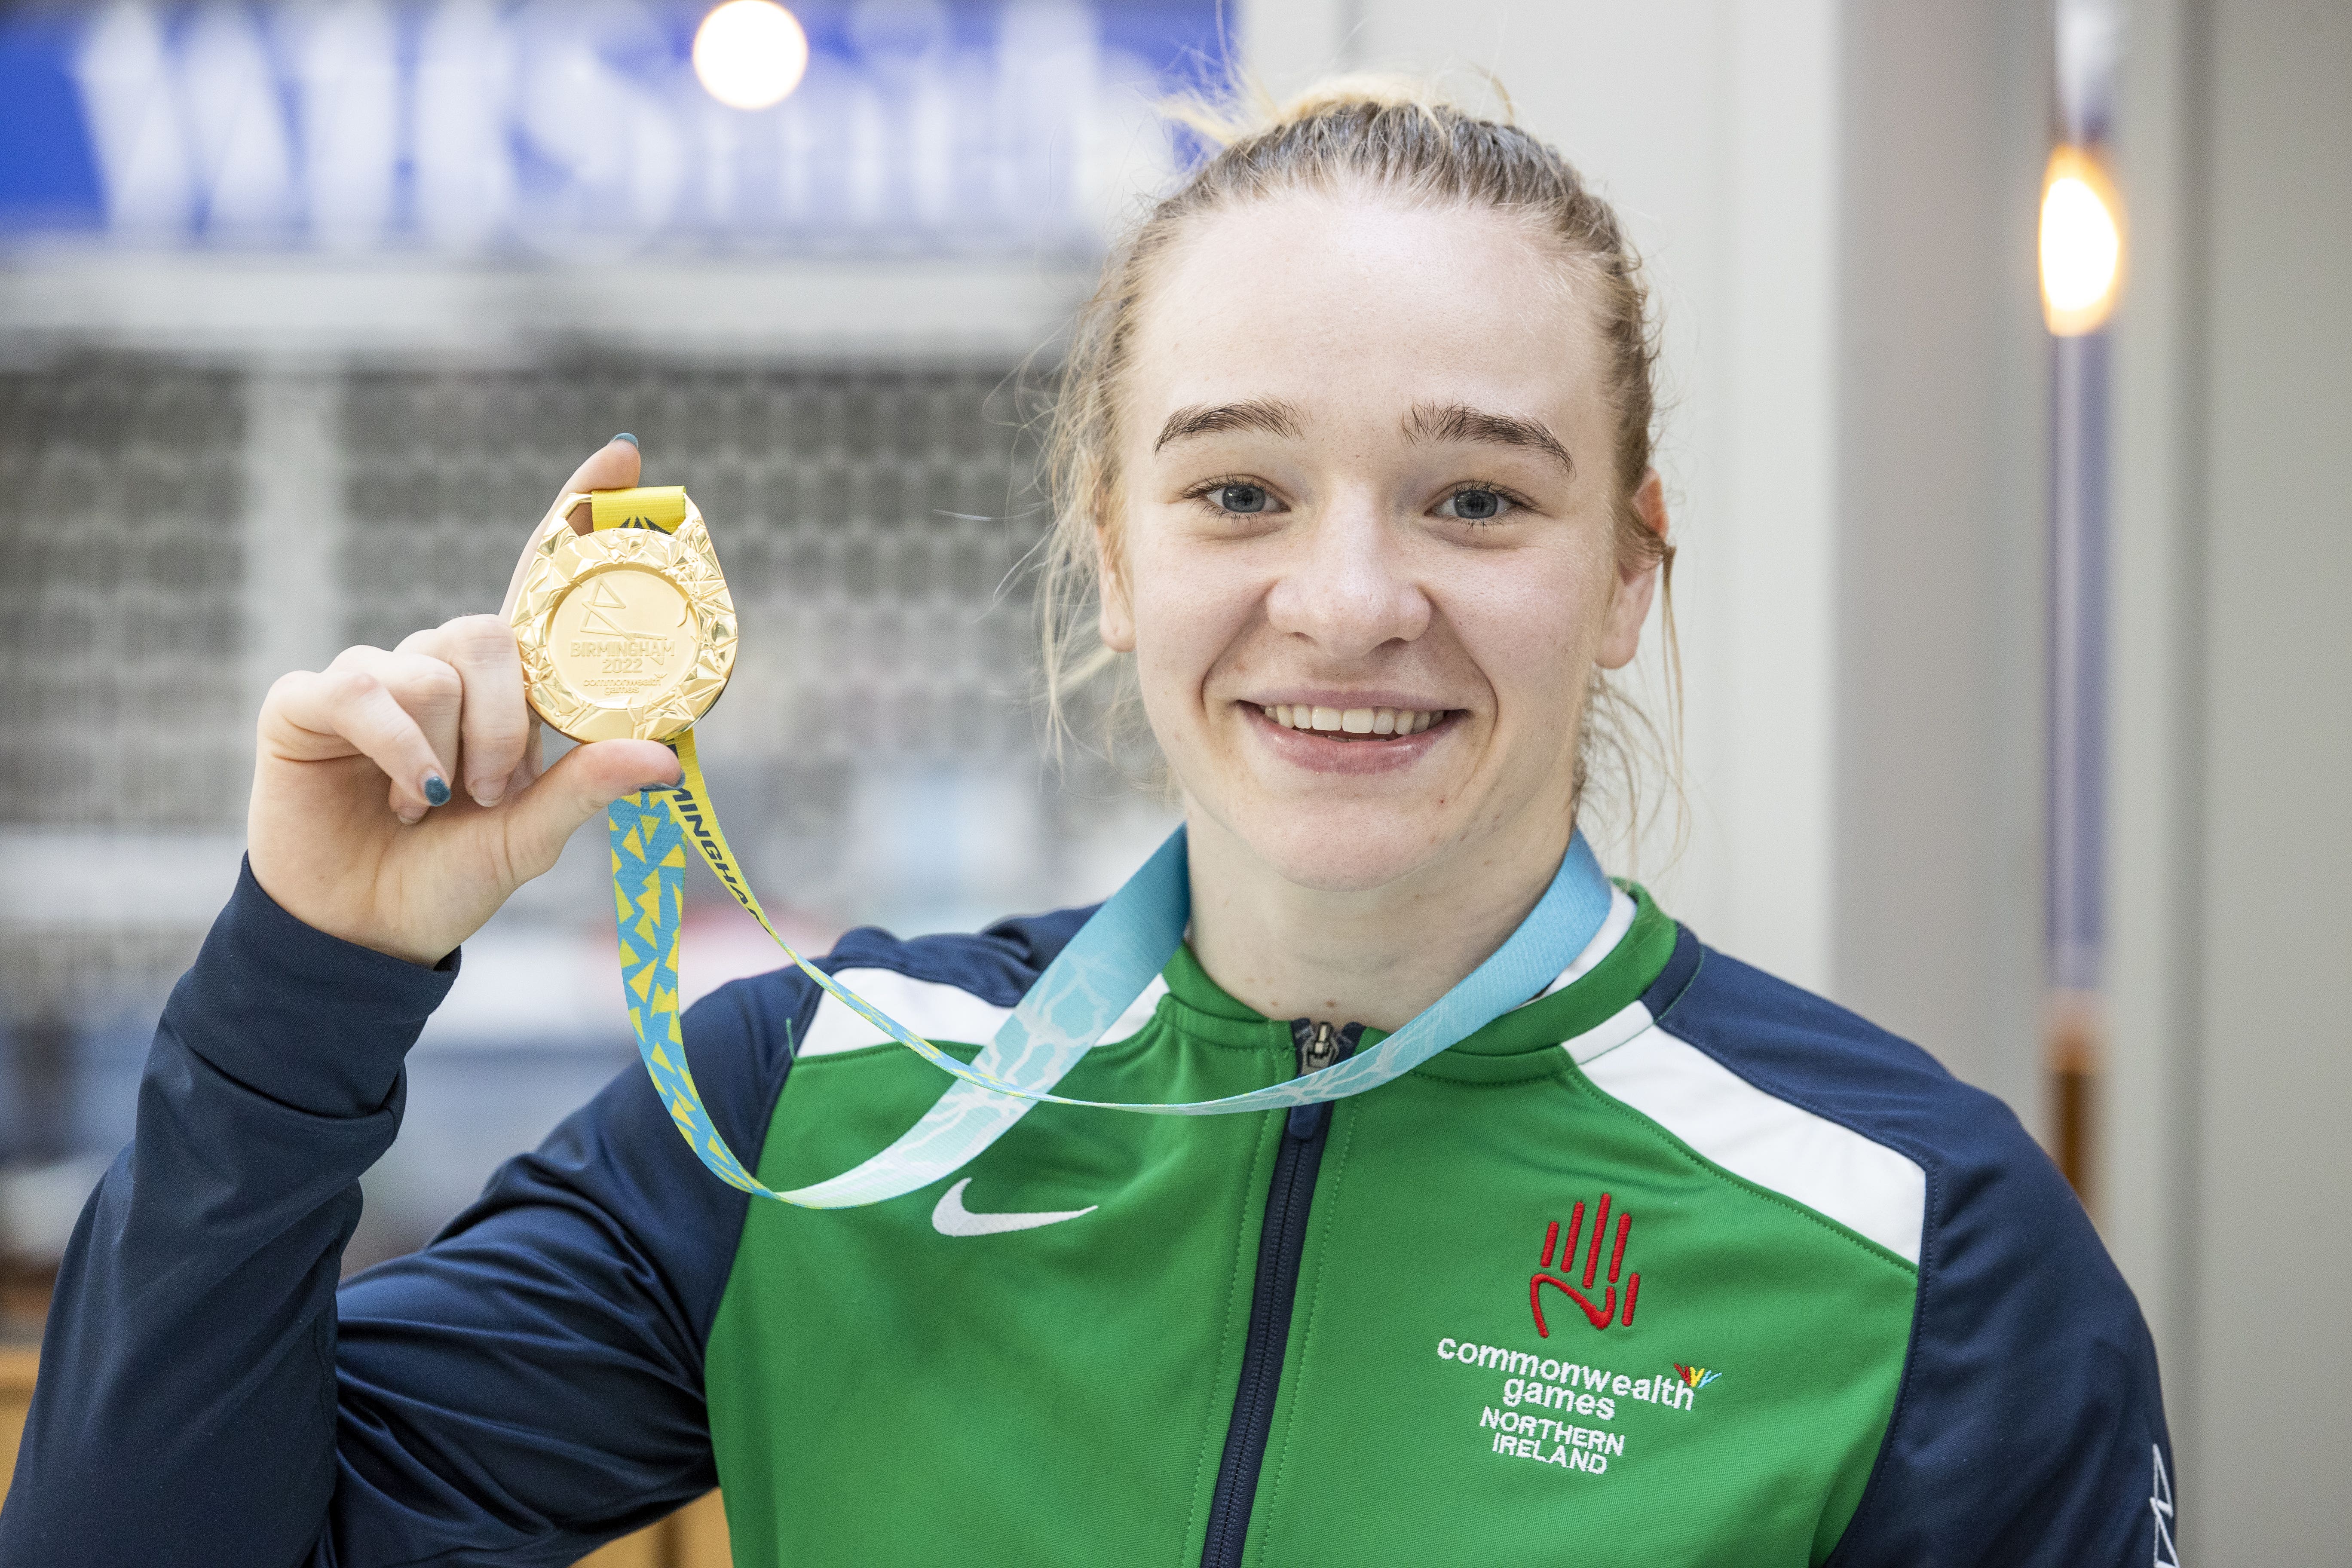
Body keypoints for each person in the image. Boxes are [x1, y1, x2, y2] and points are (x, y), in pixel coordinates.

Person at [1, 83, 2171, 1567]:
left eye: (1480, 497)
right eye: (1238, 488)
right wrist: (311, 973)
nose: (1347, 600)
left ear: (1627, 573)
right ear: (1116, 556)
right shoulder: (813, 1114)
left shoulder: (1924, 1245)